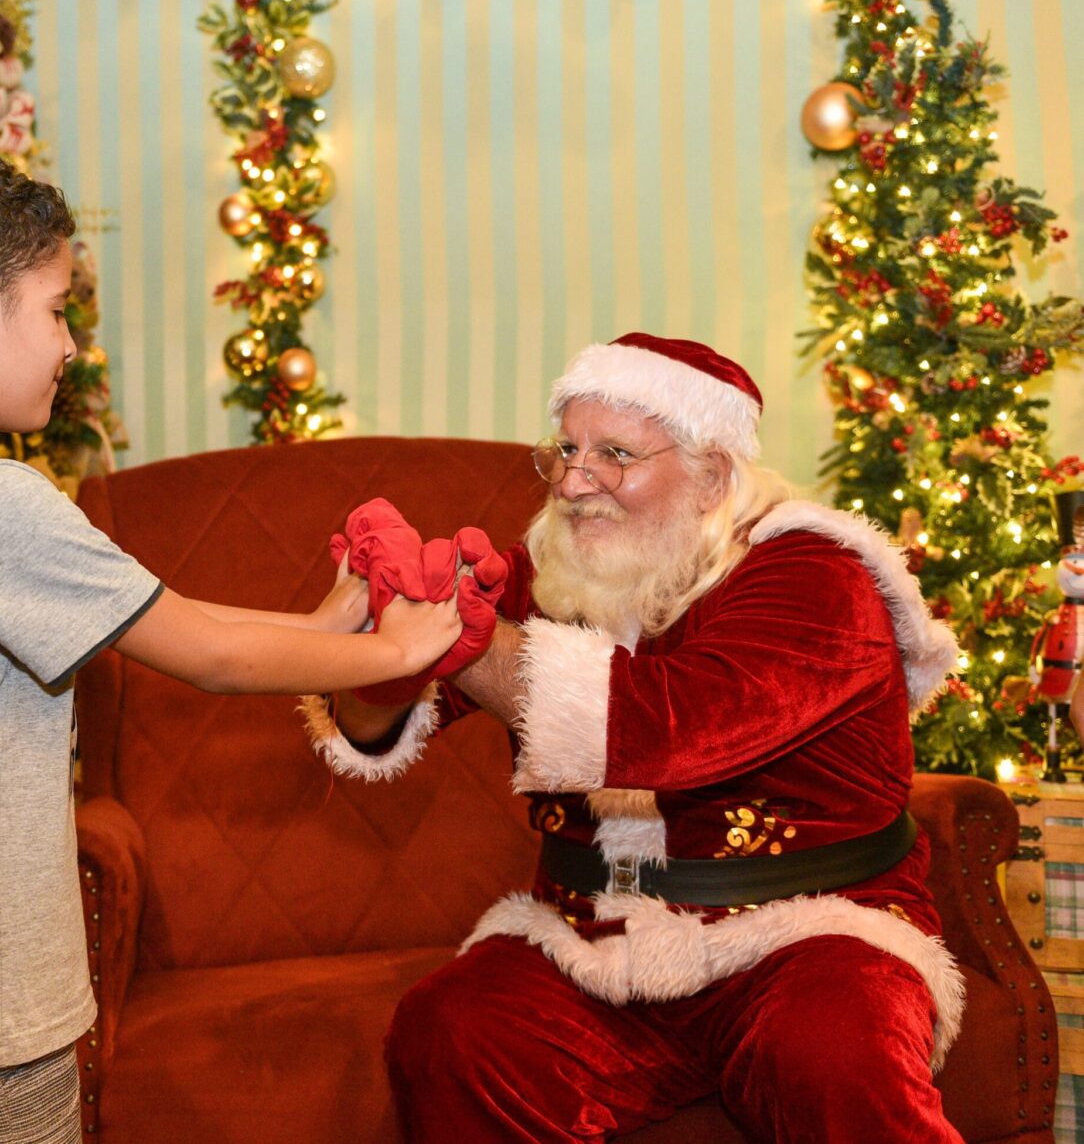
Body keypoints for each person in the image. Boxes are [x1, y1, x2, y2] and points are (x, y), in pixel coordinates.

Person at [0, 142, 460, 1144]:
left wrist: (323, 624)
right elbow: (208, 654)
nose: (71, 343)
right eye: (59, 305)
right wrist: (393, 654)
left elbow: (166, 611)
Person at [303, 333, 964, 1143]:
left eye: (615, 454)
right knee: (451, 1031)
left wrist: (459, 634)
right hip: (593, 935)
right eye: (567, 451)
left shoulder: (815, 574)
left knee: (833, 1051)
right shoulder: (559, 566)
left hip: (807, 926)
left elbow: (669, 727)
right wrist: (385, 631)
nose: (577, 483)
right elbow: (382, 719)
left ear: (712, 473)